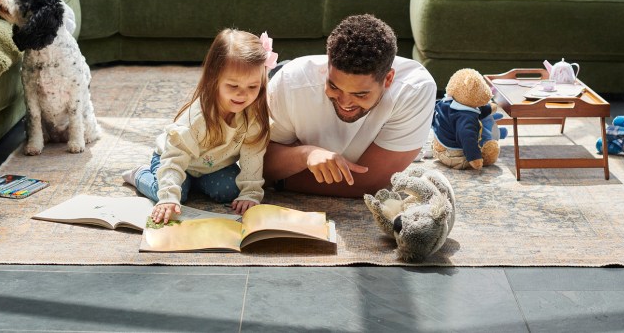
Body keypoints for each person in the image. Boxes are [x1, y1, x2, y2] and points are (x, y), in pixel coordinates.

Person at [263, 14, 436, 198]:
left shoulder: (414, 90)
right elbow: (258, 165)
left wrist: (280, 179)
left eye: (360, 94)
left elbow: (369, 184)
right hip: (282, 75)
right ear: (327, 66)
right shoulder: (291, 82)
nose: (345, 102)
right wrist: (305, 155)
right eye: (333, 86)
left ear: (388, 79)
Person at [122, 29, 278, 224]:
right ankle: (140, 174)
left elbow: (252, 155)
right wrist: (168, 196)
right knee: (174, 195)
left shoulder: (253, 114)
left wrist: (250, 193)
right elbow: (175, 157)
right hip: (175, 158)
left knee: (231, 191)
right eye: (233, 86)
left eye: (252, 87)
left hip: (212, 166)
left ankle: (194, 183)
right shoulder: (197, 118)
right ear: (215, 77)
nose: (242, 95)